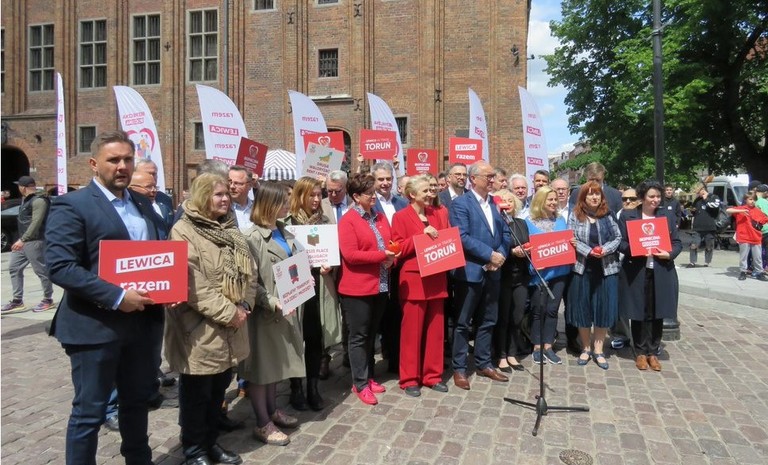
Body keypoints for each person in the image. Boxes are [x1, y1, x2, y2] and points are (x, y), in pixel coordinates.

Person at [44, 130, 167, 465]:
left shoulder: (143, 203)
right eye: (114, 160)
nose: (122, 166)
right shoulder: (72, 205)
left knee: (137, 402)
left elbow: (155, 256)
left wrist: (168, 287)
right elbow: (61, 267)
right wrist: (116, 296)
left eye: (127, 159)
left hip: (142, 324)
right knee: (89, 412)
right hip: (95, 326)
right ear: (94, 164)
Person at [164, 172, 253, 465]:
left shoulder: (230, 228)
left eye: (227, 193)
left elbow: (249, 272)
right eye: (219, 194)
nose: (226, 199)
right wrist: (229, 313)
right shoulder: (184, 230)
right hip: (198, 329)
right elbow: (193, 285)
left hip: (232, 326)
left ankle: (211, 442)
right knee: (197, 394)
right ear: (203, 196)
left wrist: (246, 304)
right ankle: (194, 449)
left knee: (218, 390)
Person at [240, 182, 306, 445]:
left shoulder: (283, 230)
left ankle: (271, 409)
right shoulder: (251, 238)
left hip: (287, 309)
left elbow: (295, 263)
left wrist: (305, 280)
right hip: (266, 314)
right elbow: (250, 282)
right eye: (283, 201)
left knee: (275, 366)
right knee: (261, 369)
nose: (288, 204)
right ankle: (262, 422)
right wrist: (271, 301)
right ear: (269, 203)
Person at [449, 161, 511, 390]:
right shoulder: (460, 204)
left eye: (493, 176)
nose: (493, 180)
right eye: (489, 176)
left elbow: (506, 232)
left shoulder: (496, 203)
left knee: (488, 320)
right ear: (473, 179)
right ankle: (459, 368)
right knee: (463, 322)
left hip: (494, 271)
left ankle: (484, 363)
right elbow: (461, 236)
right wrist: (489, 255)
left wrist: (500, 255)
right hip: (470, 272)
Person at [337, 173, 397, 405]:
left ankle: (369, 376)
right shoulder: (348, 220)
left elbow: (390, 243)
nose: (374, 196)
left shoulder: (379, 217)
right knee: (359, 336)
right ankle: (359, 382)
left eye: (374, 193)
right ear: (355, 196)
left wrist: (393, 257)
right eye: (369, 193)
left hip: (380, 285)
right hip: (357, 289)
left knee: (372, 334)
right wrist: (382, 256)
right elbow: (351, 255)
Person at [286, 177, 342, 410]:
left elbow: (333, 253)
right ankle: (295, 387)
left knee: (314, 337)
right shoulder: (288, 223)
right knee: (295, 339)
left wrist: (330, 265)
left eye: (319, 195)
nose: (317, 199)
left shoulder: (325, 222)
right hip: (297, 287)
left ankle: (312, 386)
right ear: (300, 195)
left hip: (320, 287)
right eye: (312, 195)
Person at [391, 175, 450, 397]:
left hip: (437, 277)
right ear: (412, 194)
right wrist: (420, 236)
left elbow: (447, 239)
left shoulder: (438, 213)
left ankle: (432, 375)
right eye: (425, 190)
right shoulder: (400, 217)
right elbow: (397, 249)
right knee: (411, 332)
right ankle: (409, 379)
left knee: (436, 331)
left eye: (430, 190)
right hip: (414, 279)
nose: (430, 193)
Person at [618, 180, 682, 372]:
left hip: (660, 270)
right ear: (642, 197)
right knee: (639, 311)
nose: (656, 200)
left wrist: (669, 254)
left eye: (658, 196)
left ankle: (653, 351)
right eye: (651, 196)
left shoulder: (667, 216)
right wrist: (635, 250)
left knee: (657, 311)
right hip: (637, 270)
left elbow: (677, 242)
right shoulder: (628, 216)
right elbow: (620, 242)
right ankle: (640, 351)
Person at [566, 181, 622, 370]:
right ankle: (586, 348)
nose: (594, 197)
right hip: (582, 268)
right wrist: (589, 251)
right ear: (583, 197)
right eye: (590, 194)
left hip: (606, 269)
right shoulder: (575, 215)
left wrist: (604, 250)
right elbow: (571, 239)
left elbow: (618, 237)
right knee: (583, 309)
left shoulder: (608, 215)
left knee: (603, 309)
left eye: (597, 194)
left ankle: (599, 350)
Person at [525, 186, 573, 365]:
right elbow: (526, 249)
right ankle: (537, 347)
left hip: (559, 273)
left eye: (554, 199)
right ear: (540, 201)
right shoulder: (528, 222)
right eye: (549, 199)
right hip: (539, 274)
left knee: (552, 310)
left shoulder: (561, 220)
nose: (553, 202)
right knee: (538, 310)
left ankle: (548, 346)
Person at [371, 162, 408, 373]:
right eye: (381, 179)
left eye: (388, 179)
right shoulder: (369, 203)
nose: (385, 183)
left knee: (396, 313)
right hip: (378, 265)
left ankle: (395, 358)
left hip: (400, 265)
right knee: (377, 315)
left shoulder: (402, 202)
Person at [490, 189, 530, 372]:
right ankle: (501, 354)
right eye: (503, 200)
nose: (507, 204)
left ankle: (513, 353)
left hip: (521, 276)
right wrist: (512, 252)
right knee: (503, 318)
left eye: (510, 200)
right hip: (503, 276)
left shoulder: (521, 223)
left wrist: (526, 250)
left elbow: (528, 242)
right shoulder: (496, 223)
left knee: (517, 317)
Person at [2, 175, 54, 314]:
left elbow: (36, 222)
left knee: (41, 270)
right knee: (14, 267)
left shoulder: (39, 200)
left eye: (19, 186)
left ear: (23, 187)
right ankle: (17, 300)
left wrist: (23, 239)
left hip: (35, 241)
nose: (18, 188)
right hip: (24, 241)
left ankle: (47, 299)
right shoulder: (26, 200)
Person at [609, 188, 641, 351]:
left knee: (637, 301)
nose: (628, 201)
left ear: (639, 200)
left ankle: (641, 337)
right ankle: (621, 334)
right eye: (624, 199)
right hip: (616, 263)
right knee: (618, 302)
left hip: (635, 264)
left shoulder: (642, 217)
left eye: (632, 198)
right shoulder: (615, 215)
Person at [726, 192, 768, 281]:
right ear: (746, 200)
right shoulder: (741, 209)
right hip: (744, 236)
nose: (752, 201)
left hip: (756, 237)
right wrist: (741, 211)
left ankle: (759, 272)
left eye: (754, 199)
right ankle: (743, 272)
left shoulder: (758, 211)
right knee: (743, 256)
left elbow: (765, 219)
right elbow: (728, 210)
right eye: (750, 199)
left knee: (758, 257)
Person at [688, 182, 721, 268]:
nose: (697, 194)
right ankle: (692, 262)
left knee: (709, 245)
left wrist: (706, 199)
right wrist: (692, 210)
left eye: (698, 192)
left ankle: (707, 262)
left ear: (703, 190)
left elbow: (715, 206)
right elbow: (693, 209)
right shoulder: (697, 199)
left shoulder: (714, 197)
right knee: (694, 244)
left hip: (710, 226)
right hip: (697, 226)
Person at [229, 165, 254, 231]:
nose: (232, 186)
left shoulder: (258, 208)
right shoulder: (222, 209)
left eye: (237, 183)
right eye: (229, 182)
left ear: (250, 185)